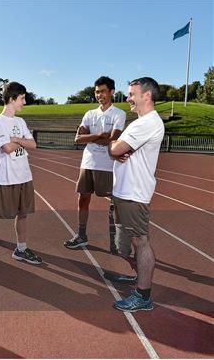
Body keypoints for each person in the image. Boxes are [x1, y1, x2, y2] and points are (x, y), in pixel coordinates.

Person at [108, 77, 164, 312]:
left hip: (134, 193)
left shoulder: (146, 123)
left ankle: (143, 295)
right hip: (127, 191)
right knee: (133, 241)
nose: (128, 98)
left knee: (141, 242)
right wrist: (116, 147)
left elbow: (116, 149)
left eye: (132, 94)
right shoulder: (143, 122)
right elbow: (119, 151)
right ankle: (139, 278)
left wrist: (113, 144)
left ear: (147, 95)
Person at [63, 76, 125, 253]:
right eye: (97, 92)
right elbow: (78, 138)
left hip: (108, 165)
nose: (100, 95)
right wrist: (99, 136)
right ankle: (81, 235)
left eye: (103, 91)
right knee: (83, 199)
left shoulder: (119, 114)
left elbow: (114, 139)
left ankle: (115, 241)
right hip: (88, 162)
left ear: (112, 92)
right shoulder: (89, 114)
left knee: (114, 203)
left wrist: (92, 137)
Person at [0, 81, 41, 264]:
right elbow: (6, 148)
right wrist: (21, 141)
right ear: (12, 99)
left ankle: (21, 249)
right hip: (7, 177)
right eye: (22, 98)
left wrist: (16, 139)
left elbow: (33, 144)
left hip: (24, 175)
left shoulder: (20, 121)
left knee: (23, 213)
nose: (24, 102)